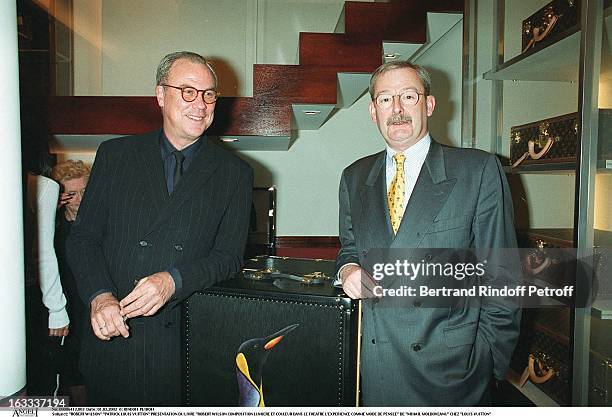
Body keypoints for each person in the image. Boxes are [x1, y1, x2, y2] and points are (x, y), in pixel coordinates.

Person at [66, 51, 253, 405]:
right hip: (116, 333)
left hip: (184, 343)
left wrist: (173, 280)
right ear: (160, 95)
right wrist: (99, 296)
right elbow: (84, 239)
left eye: (209, 94)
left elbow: (228, 258)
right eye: (188, 91)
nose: (200, 104)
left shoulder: (235, 173)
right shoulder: (115, 155)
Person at [336, 61, 520, 406]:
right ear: (373, 111)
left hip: (451, 375)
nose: (398, 109)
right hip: (376, 369)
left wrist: (488, 364)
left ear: (429, 104)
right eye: (386, 99)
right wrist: (347, 269)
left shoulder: (477, 170)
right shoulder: (354, 177)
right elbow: (349, 247)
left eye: (408, 96)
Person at [23, 147, 70, 395]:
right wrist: (57, 308)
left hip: (29, 294)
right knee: (41, 378)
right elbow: (42, 254)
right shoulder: (42, 186)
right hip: (28, 298)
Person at [51, 160, 90, 405]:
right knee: (70, 368)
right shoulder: (52, 228)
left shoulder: (104, 224)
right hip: (65, 306)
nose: (78, 200)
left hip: (96, 302)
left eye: (84, 192)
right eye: (72, 194)